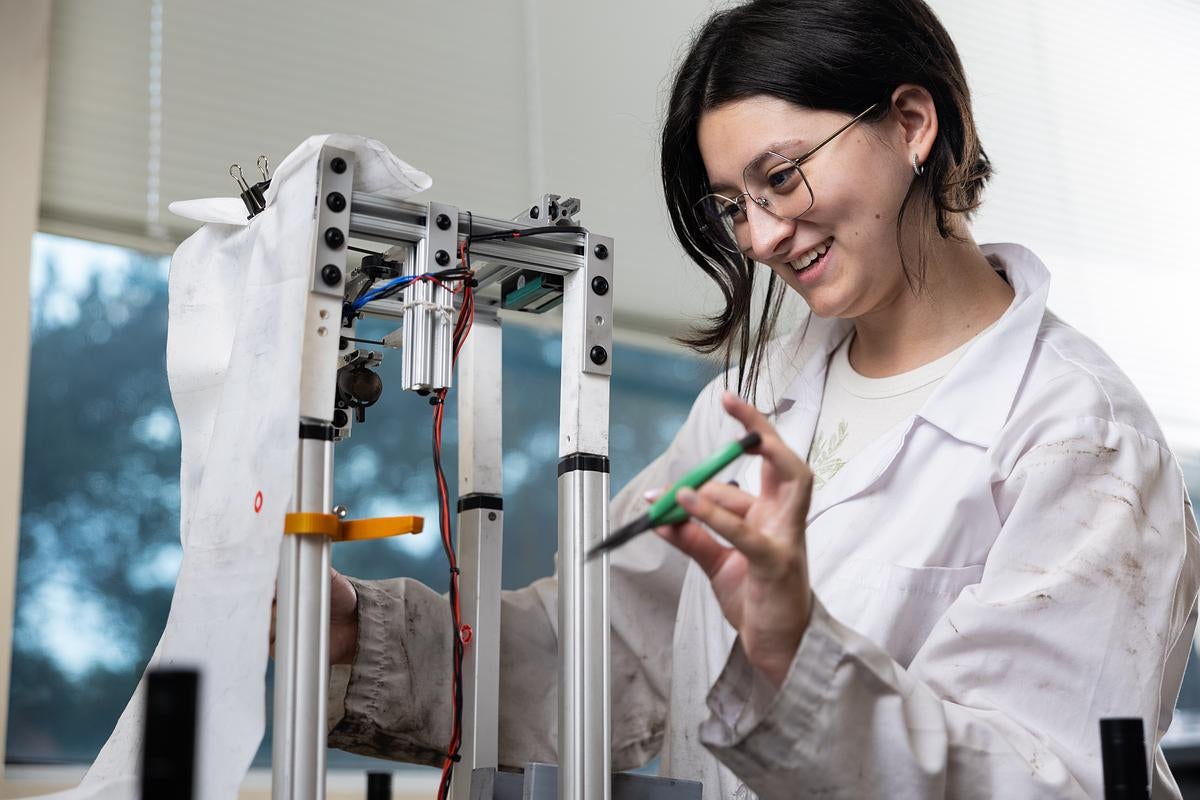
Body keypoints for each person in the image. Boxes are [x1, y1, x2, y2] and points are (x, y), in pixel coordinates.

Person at [324, 1, 1200, 796]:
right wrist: (359, 639)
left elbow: (1042, 780)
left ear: (910, 123)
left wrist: (791, 650)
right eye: (732, 206)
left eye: (781, 177)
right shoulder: (752, 400)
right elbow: (611, 643)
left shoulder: (1080, 440)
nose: (764, 236)